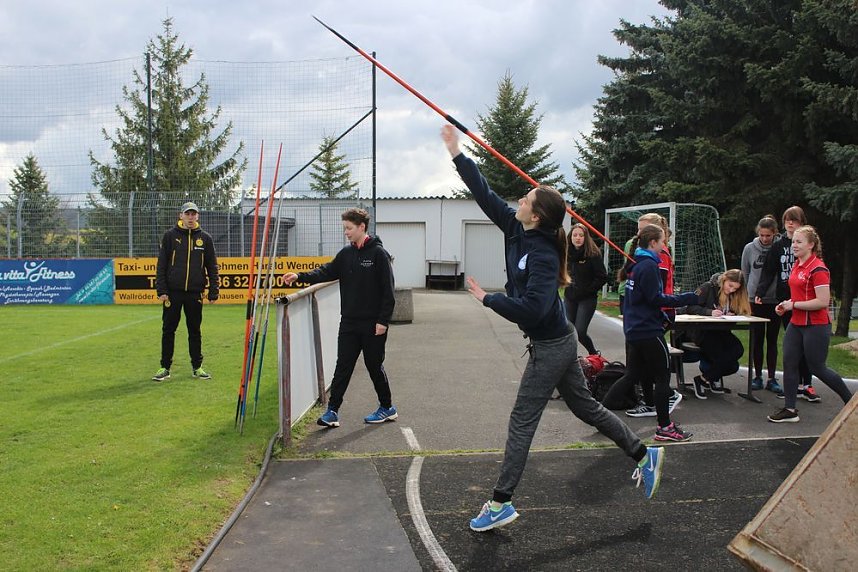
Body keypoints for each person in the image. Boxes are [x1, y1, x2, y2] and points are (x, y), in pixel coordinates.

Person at [440, 125, 665, 533]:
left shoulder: (543, 254)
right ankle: (642, 454)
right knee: (586, 408)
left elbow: (532, 309)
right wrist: (457, 153)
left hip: (551, 345)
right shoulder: (516, 227)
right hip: (556, 340)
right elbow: (484, 193)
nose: (519, 201)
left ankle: (501, 502)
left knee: (522, 419)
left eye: (525, 199)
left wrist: (488, 299)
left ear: (537, 215)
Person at [283, 208, 397, 427]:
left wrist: (383, 321)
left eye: (349, 228)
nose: (346, 232)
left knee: (374, 366)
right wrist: (299, 276)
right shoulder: (346, 254)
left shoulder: (379, 254)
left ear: (362, 227)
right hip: (349, 323)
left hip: (373, 324)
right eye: (345, 228)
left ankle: (387, 407)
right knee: (342, 366)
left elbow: (388, 291)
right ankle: (332, 411)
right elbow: (325, 272)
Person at [601, 224, 700, 439]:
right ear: (653, 242)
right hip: (647, 331)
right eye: (662, 241)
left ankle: (599, 415)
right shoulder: (647, 266)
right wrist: (687, 298)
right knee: (662, 377)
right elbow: (655, 299)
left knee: (632, 375)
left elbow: (641, 299)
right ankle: (665, 427)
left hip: (636, 329)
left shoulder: (638, 264)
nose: (664, 245)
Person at [768, 226, 854, 423]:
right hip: (796, 323)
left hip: (816, 325)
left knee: (817, 367)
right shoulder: (797, 264)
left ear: (811, 245)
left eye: (799, 242)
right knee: (789, 362)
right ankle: (790, 410)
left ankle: (851, 404)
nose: (794, 245)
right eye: (793, 242)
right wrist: (786, 305)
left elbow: (822, 301)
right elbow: (799, 295)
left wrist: (793, 305)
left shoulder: (818, 269)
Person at [755, 206, 817, 400]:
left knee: (806, 345)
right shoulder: (778, 245)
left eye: (794, 220)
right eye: (787, 220)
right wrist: (760, 291)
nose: (790, 223)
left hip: (804, 299)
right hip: (785, 298)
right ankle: (794, 384)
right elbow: (769, 270)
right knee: (792, 344)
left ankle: (807, 384)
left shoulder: (809, 246)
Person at [153, 201, 219, 382]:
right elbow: (161, 265)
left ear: (197, 216)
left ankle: (197, 367)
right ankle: (165, 367)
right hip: (173, 293)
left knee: (195, 330)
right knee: (168, 330)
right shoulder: (170, 236)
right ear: (181, 215)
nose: (190, 217)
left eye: (193, 214)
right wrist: (161, 289)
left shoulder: (205, 238)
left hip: (195, 293)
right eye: (187, 214)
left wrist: (214, 289)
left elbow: (212, 266)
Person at [680, 270, 752, 399]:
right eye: (730, 286)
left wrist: (732, 315)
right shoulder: (708, 287)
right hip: (703, 331)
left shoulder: (734, 295)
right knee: (729, 363)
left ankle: (704, 379)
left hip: (722, 331)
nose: (731, 290)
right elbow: (690, 307)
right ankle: (709, 379)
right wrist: (709, 312)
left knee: (738, 350)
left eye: (735, 289)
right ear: (724, 279)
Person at [741, 215, 781, 391]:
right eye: (762, 235)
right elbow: (745, 272)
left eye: (768, 236)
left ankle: (772, 377)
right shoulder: (750, 248)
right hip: (754, 300)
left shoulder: (779, 247)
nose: (765, 239)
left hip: (774, 299)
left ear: (774, 233)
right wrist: (748, 294)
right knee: (757, 339)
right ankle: (757, 375)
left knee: (772, 339)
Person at [565, 223, 607, 355]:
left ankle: (593, 354)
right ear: (570, 237)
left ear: (586, 237)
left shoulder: (593, 254)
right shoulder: (566, 253)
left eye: (581, 235)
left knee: (580, 331)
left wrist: (588, 290)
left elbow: (602, 277)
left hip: (587, 298)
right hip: (570, 296)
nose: (578, 238)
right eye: (575, 235)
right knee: (568, 330)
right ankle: (569, 358)